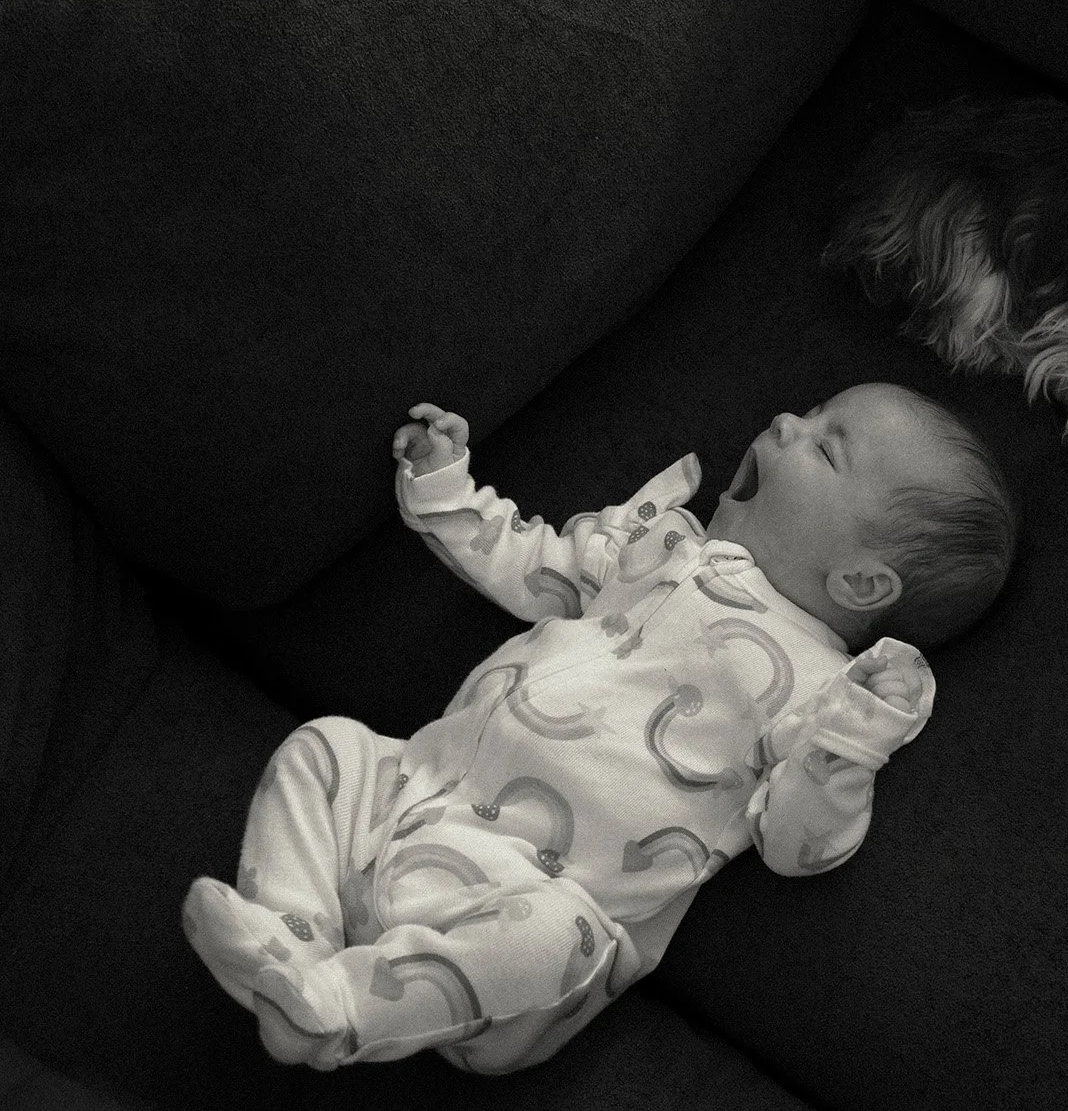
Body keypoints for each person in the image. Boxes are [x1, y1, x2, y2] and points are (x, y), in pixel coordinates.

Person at [181, 383, 1017, 1073]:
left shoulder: (820, 688)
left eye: (827, 447)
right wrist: (446, 491)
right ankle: (293, 936)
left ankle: (337, 1013)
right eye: (810, 410)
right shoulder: (655, 544)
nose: (786, 421)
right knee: (326, 746)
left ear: (863, 583)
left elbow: (799, 845)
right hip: (413, 792)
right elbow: (533, 565)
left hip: (520, 902)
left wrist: (846, 751)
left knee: (558, 937)